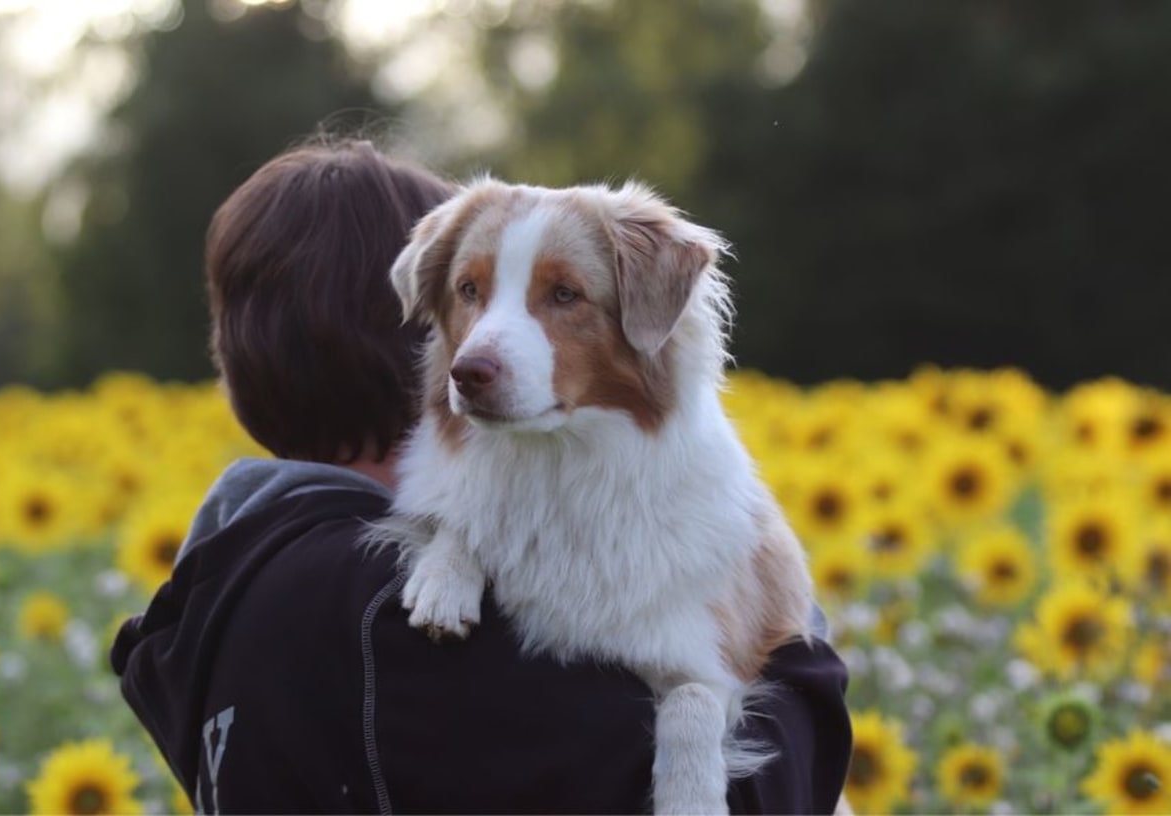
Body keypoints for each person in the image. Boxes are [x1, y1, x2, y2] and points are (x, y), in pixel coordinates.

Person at [110, 136, 852, 814]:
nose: (485, 339)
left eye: (555, 294)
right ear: (411, 327)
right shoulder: (382, 608)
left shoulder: (229, 581)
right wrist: (803, 658)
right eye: (471, 293)